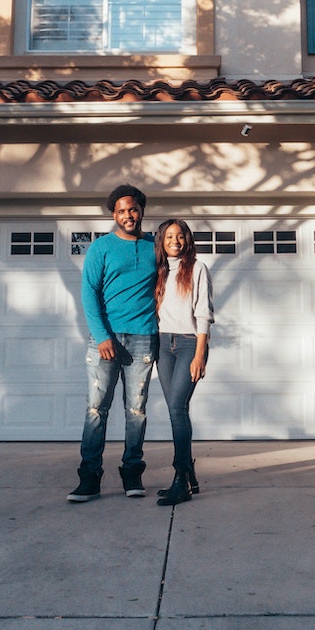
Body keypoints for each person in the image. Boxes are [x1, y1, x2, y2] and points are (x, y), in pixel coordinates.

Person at [67, 184, 159, 503]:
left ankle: (132, 472)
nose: (128, 215)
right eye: (121, 211)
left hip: (144, 337)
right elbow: (89, 293)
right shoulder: (101, 247)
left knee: (136, 411)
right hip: (105, 339)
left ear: (141, 210)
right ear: (114, 215)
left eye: (132, 209)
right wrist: (103, 336)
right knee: (96, 410)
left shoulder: (155, 246)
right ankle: (90, 476)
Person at [152, 218, 214, 507]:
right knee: (176, 409)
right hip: (163, 345)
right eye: (168, 237)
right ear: (161, 242)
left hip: (189, 343)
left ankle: (181, 479)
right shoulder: (159, 271)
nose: (174, 241)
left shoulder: (198, 269)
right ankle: (190, 475)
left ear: (187, 240)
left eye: (180, 236)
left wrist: (200, 354)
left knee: (177, 408)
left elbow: (203, 313)